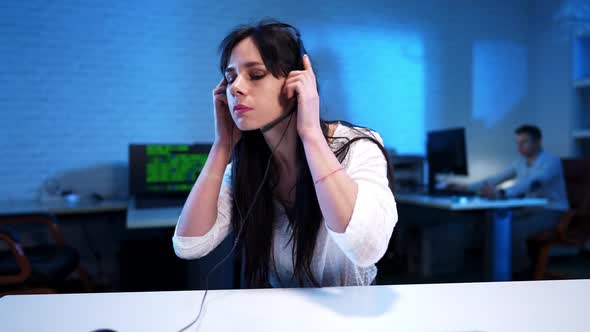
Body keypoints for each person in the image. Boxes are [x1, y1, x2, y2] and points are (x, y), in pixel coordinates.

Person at [172, 20, 398, 288]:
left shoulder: (357, 146)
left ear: (297, 82)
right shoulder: (246, 166)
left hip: (352, 315)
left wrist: (311, 133)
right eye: (231, 77)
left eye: (255, 75)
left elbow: (366, 248)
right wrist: (222, 145)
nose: (235, 88)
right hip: (278, 314)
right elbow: (188, 245)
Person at [451, 125, 569, 274]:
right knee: (493, 223)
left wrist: (501, 193)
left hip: (552, 210)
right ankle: (491, 270)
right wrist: (468, 188)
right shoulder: (520, 161)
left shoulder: (551, 161)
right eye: (517, 142)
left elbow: (531, 183)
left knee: (512, 230)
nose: (519, 146)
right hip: (529, 208)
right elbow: (496, 178)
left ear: (538, 142)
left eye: (524, 142)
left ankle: (518, 274)